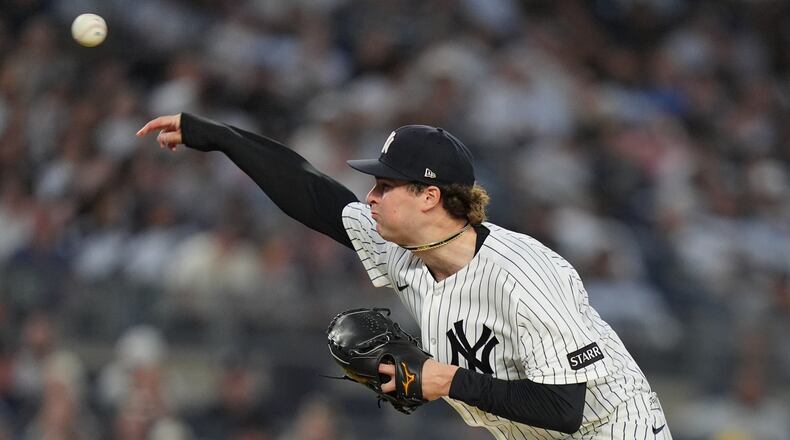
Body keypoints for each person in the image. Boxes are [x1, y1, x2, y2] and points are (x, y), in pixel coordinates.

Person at [137, 113, 672, 439]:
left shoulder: (525, 276)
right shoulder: (408, 248)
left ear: (429, 196)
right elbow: (315, 195)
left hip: (613, 430)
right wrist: (219, 136)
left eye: (385, 186)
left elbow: (566, 408)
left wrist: (445, 379)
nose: (370, 197)